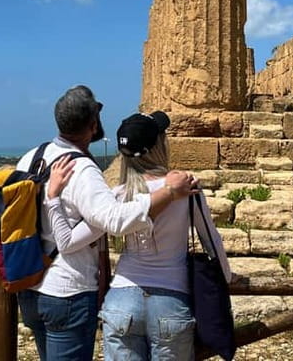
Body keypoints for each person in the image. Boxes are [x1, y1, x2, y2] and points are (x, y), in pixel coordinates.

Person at [16, 86, 198, 361]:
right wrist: (170, 192)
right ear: (93, 125)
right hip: (68, 291)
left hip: (31, 286)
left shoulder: (32, 157)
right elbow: (114, 220)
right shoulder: (84, 170)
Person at [96, 110, 231, 360]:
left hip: (121, 300)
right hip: (170, 299)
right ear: (159, 145)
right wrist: (227, 278)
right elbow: (211, 241)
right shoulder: (187, 189)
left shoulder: (117, 195)